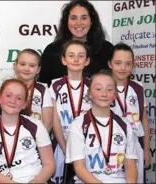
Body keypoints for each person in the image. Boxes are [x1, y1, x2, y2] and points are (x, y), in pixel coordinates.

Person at [66, 71, 138, 183]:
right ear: (89, 93)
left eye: (109, 89)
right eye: (98, 89)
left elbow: (130, 165)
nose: (104, 94)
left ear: (115, 95)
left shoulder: (125, 125)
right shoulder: (78, 125)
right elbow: (79, 168)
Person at [0, 79, 55, 183]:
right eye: (8, 96)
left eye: (19, 98)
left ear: (24, 104)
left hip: (35, 179)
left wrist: (36, 182)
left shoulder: (36, 125)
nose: (13, 101)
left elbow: (49, 164)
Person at [38, 0, 113, 86]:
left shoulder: (107, 49)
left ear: (91, 21)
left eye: (84, 18)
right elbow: (43, 86)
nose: (78, 23)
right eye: (73, 18)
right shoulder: (52, 50)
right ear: (67, 21)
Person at [50, 40, 92, 183]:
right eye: (71, 55)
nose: (75, 59)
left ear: (87, 61)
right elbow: (54, 121)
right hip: (61, 146)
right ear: (63, 59)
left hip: (87, 148)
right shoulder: (55, 86)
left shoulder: (93, 85)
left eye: (81, 56)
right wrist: (66, 147)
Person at [108, 43, 150, 183]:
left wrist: (146, 149)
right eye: (118, 63)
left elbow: (143, 118)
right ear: (110, 64)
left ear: (133, 66)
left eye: (128, 64)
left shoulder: (138, 88)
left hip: (135, 145)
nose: (123, 68)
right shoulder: (102, 86)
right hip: (110, 146)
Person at [13, 49, 53, 131]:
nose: (27, 68)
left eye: (32, 66)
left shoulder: (43, 90)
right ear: (15, 66)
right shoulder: (7, 87)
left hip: (38, 140)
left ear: (38, 70)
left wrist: (40, 141)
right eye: (23, 64)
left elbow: (48, 123)